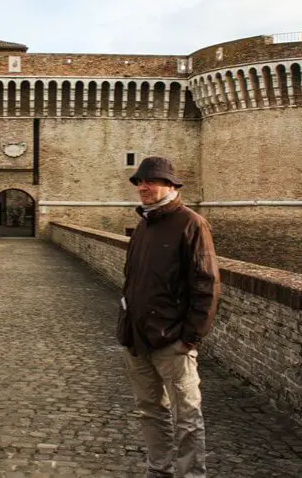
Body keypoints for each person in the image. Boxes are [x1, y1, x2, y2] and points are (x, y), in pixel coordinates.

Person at [120, 156, 221, 478]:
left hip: (172, 340)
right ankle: (158, 470)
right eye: (139, 182)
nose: (143, 187)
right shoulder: (144, 224)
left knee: (187, 416)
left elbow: (206, 284)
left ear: (171, 186)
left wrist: (190, 337)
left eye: (151, 181)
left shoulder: (191, 223)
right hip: (138, 337)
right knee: (150, 411)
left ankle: (191, 474)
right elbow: (132, 279)